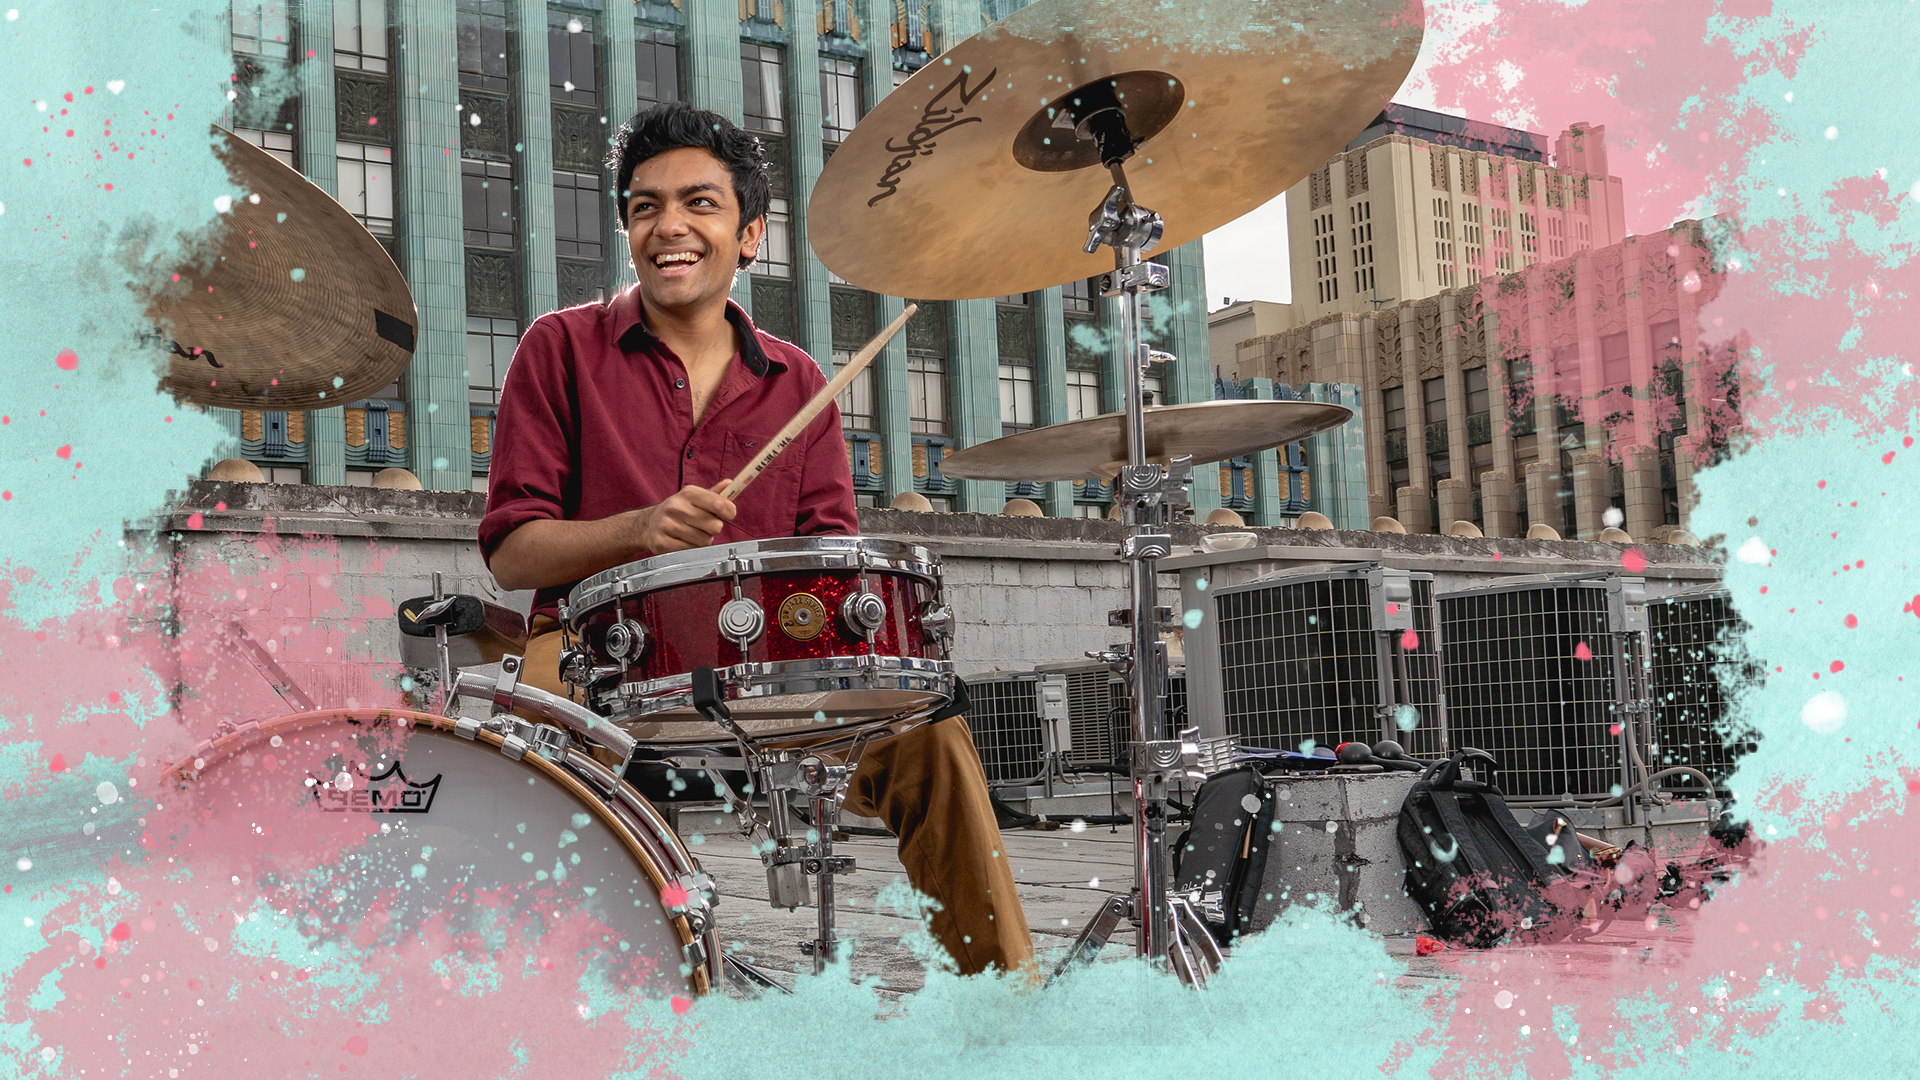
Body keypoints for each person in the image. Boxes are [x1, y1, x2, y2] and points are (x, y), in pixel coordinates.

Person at [478, 102, 1032, 977]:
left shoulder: (800, 381)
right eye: (645, 206)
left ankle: (1005, 1003)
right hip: (597, 657)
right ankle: (539, 997)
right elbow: (511, 552)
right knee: (512, 754)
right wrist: (639, 529)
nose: (669, 226)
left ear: (751, 235)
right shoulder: (558, 349)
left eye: (700, 203)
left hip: (771, 667)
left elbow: (831, 556)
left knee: (932, 736)